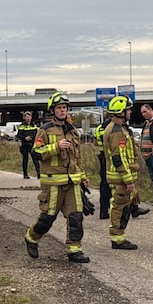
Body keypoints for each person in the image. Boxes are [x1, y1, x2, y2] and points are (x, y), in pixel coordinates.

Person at [24, 92, 91, 263]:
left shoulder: (73, 131)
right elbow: (36, 152)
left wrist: (83, 176)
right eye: (59, 108)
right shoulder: (45, 130)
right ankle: (31, 238)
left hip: (72, 182)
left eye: (64, 108)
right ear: (53, 110)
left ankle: (74, 250)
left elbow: (77, 157)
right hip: (53, 183)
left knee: (76, 216)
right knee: (48, 217)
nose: (62, 111)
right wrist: (55, 146)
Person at [102, 96, 141, 250]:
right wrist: (128, 180)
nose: (130, 112)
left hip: (121, 178)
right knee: (119, 207)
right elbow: (119, 158)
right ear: (120, 112)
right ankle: (117, 239)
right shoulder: (116, 132)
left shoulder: (122, 129)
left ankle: (119, 236)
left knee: (124, 206)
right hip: (120, 179)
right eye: (128, 110)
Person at [96, 115, 149, 220]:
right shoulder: (116, 129)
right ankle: (130, 209)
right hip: (112, 161)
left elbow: (95, 142)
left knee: (105, 186)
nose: (130, 112)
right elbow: (118, 155)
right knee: (115, 191)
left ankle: (105, 211)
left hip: (105, 158)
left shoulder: (100, 128)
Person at [16, 111, 41, 179]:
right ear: (24, 118)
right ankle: (25, 174)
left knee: (35, 160)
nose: (28, 118)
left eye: (29, 117)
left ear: (31, 117)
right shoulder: (22, 125)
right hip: (25, 145)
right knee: (25, 160)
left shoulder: (34, 125)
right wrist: (25, 138)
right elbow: (18, 136)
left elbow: (37, 134)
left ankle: (39, 174)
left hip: (32, 145)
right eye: (27, 117)